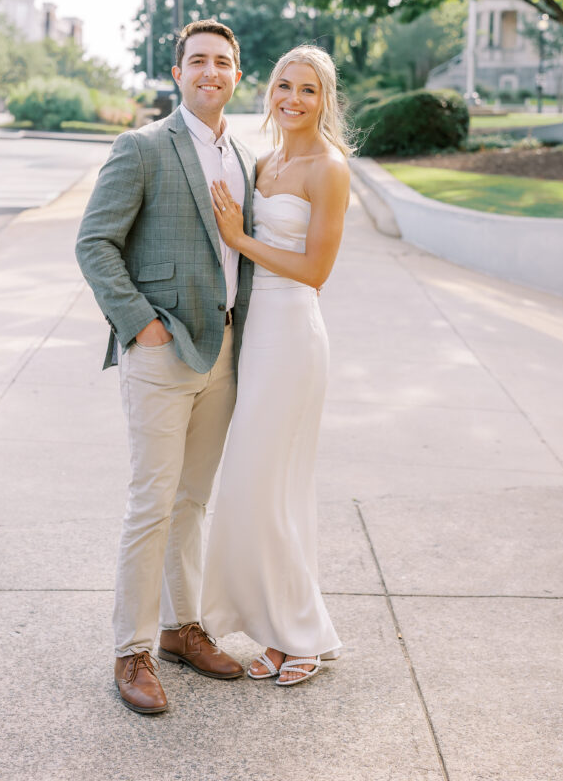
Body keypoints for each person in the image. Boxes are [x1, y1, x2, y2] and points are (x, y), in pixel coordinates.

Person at [75, 20, 257, 714]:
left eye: (223, 62)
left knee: (193, 502)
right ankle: (132, 651)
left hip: (224, 355)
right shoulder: (143, 147)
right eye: (198, 61)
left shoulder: (243, 156)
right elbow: (95, 244)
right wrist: (140, 325)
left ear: (236, 74)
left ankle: (184, 629)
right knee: (151, 502)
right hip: (160, 350)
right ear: (177, 72)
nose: (211, 71)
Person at [202, 44, 351, 687]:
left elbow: (317, 272)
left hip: (294, 333)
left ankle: (303, 635)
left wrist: (241, 239)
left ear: (326, 101)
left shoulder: (328, 167)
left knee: (278, 484)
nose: (293, 99)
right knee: (254, 488)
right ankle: (272, 627)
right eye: (284, 86)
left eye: (309, 90)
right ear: (269, 91)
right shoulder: (264, 161)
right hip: (254, 334)